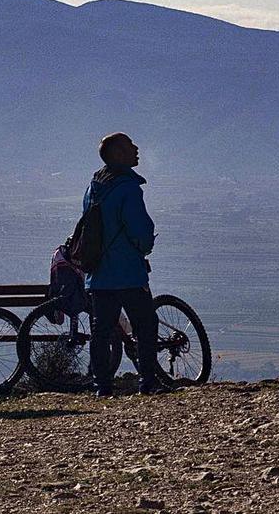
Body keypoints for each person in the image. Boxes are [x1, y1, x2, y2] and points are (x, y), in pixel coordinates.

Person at [82, 132, 163, 396]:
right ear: (118, 154)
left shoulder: (94, 187)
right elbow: (139, 230)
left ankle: (102, 387)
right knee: (145, 325)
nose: (137, 149)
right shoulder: (128, 188)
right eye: (130, 145)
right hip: (127, 271)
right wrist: (145, 247)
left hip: (98, 273)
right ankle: (148, 382)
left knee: (101, 330)